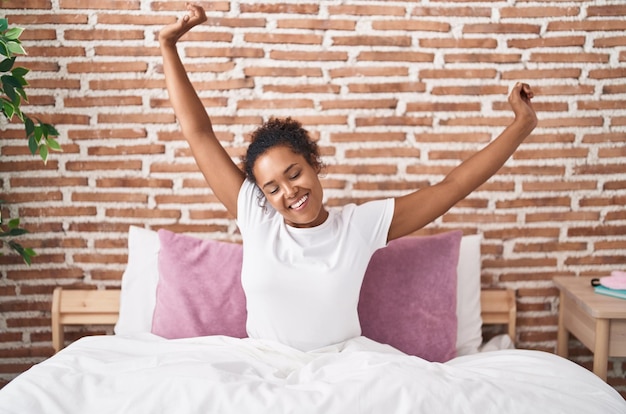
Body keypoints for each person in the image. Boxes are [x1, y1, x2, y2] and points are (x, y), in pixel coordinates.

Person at [158, 4, 538, 352]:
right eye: (272, 188)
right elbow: (199, 133)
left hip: (341, 370)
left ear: (313, 163)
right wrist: (168, 45)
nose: (289, 192)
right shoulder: (257, 218)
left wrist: (521, 126)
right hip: (264, 369)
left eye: (294, 173)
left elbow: (452, 187)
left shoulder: (360, 226)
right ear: (262, 195)